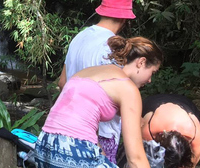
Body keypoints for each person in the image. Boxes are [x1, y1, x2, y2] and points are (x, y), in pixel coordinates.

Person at [34, 36, 163, 168]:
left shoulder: (88, 72)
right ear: (141, 62)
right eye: (152, 72)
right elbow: (135, 159)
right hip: (72, 151)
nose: (149, 80)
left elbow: (87, 130)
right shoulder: (128, 89)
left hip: (43, 145)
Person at [57, 0, 136, 162]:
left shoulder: (79, 37)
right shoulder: (112, 47)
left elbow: (63, 82)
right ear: (124, 19)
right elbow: (118, 95)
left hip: (69, 128)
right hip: (102, 133)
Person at [139, 94, 200, 167]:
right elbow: (137, 158)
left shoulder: (195, 137)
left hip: (185, 103)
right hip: (154, 101)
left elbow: (192, 164)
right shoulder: (148, 131)